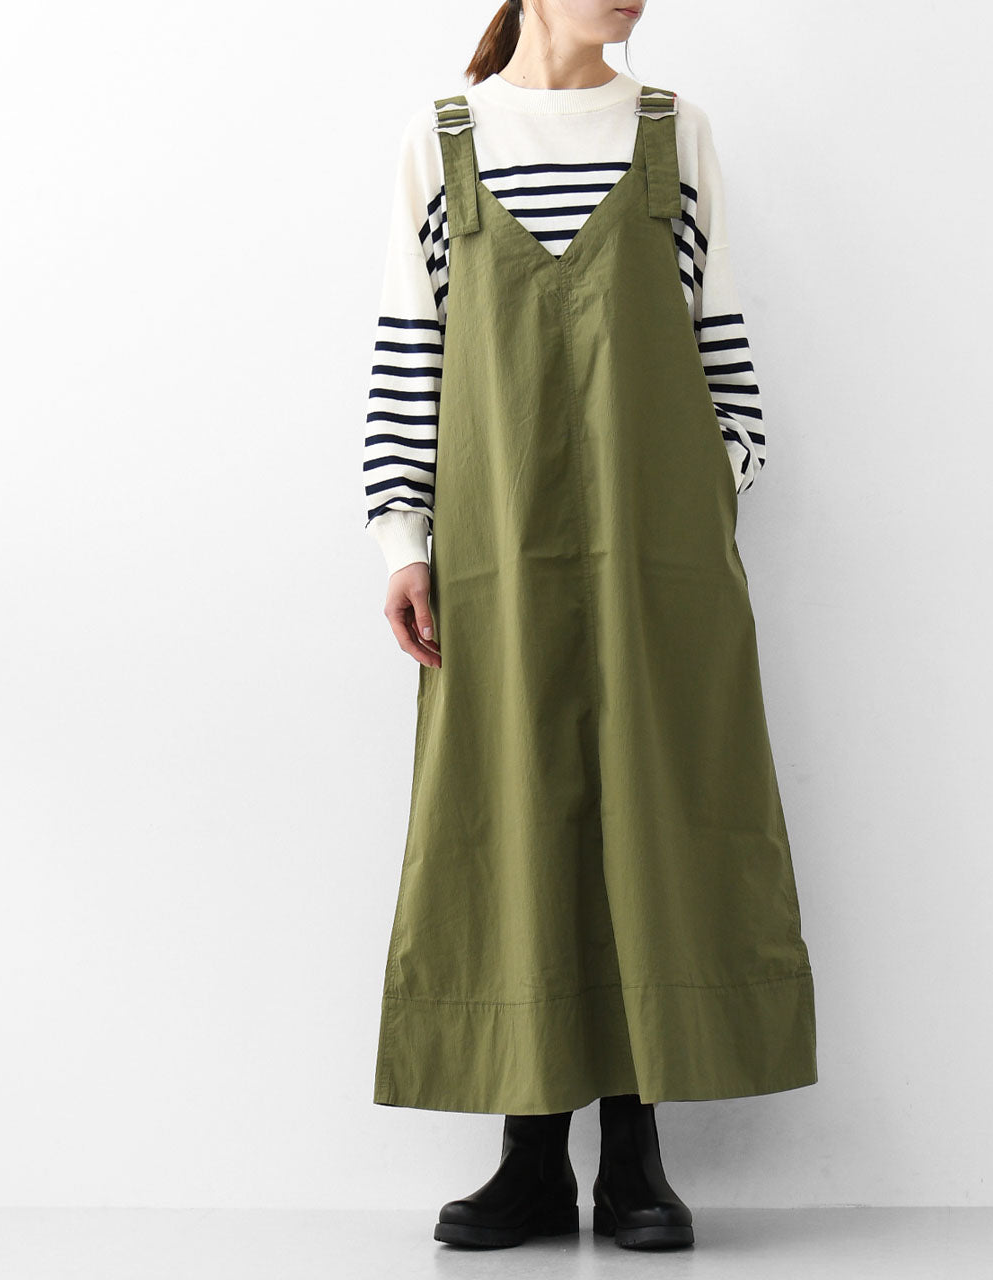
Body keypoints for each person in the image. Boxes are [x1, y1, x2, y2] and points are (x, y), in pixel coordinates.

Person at [363, 0, 818, 1252]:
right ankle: (528, 1156)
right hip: (493, 544)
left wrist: (711, 481)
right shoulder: (442, 139)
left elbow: (721, 343)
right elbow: (408, 349)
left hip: (657, 547)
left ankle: (632, 1156)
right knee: (509, 811)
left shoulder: (674, 132)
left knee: (653, 811)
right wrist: (402, 540)